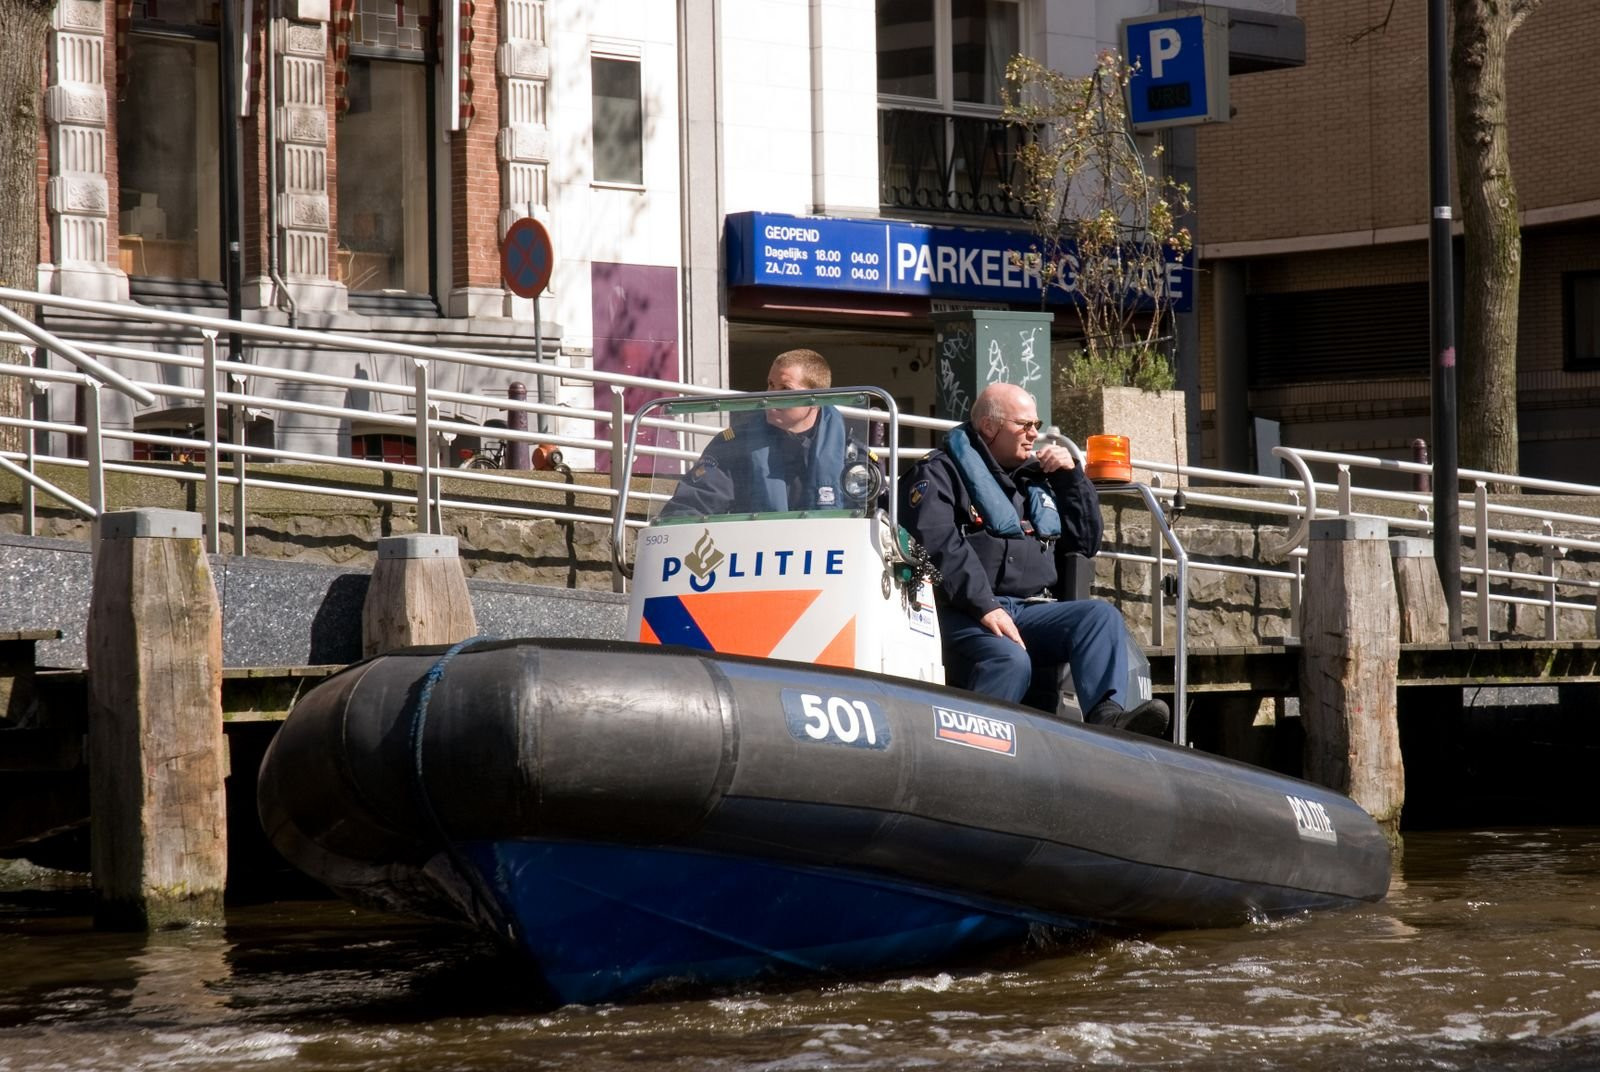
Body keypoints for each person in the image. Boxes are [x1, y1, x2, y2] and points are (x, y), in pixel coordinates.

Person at [900, 382, 1171, 738]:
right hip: (960, 610)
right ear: (989, 427)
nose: (1034, 434)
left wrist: (1072, 478)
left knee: (1099, 617)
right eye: (1024, 425)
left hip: (1027, 610)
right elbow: (940, 546)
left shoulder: (1038, 478)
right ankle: (975, 745)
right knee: (1009, 659)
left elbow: (1084, 542)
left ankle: (1107, 719)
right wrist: (984, 605)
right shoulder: (938, 473)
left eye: (1036, 425)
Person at [661, 349, 871, 518]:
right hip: (750, 561)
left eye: (785, 389)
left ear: (817, 399)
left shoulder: (853, 457)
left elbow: (876, 521)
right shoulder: (733, 447)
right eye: (771, 384)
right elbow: (691, 506)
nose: (771, 395)